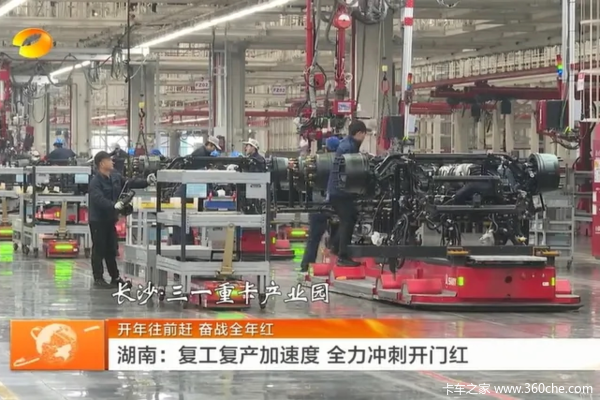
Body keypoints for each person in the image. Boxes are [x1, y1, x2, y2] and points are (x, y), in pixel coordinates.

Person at [88, 151, 156, 288]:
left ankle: (115, 277)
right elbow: (98, 199)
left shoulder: (115, 177)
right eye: (109, 160)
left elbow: (129, 182)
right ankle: (98, 278)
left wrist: (146, 182)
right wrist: (113, 205)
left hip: (110, 219)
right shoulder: (95, 182)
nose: (112, 162)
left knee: (111, 249)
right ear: (102, 163)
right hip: (98, 220)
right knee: (99, 249)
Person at [326, 120, 368, 267]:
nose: (364, 137)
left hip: (338, 191)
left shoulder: (347, 144)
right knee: (347, 220)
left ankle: (335, 247)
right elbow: (352, 170)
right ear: (359, 133)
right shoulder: (349, 147)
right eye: (364, 134)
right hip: (340, 192)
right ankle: (342, 256)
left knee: (351, 216)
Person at [300, 136, 340, 272]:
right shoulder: (341, 161)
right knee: (338, 234)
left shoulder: (316, 161)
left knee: (314, 238)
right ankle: (335, 263)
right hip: (334, 204)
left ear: (325, 148)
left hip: (317, 205)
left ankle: (306, 265)